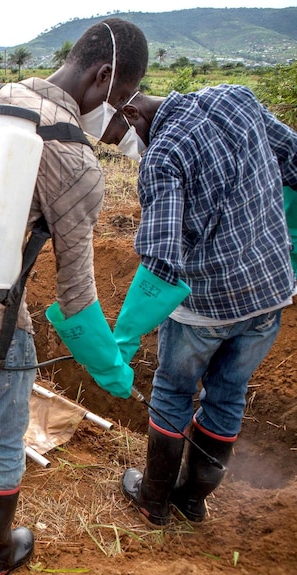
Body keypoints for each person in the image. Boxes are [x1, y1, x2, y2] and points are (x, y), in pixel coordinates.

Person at [0, 18, 149, 575]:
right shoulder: (73, 158)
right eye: (123, 97)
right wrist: (110, 367)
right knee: (2, 447)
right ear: (103, 76)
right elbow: (78, 296)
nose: (121, 111)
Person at [98, 86, 297, 527]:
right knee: (228, 393)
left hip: (203, 307)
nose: (116, 148)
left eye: (113, 137)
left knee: (172, 391)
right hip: (270, 294)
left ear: (130, 112)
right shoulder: (236, 99)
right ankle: (192, 500)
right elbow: (294, 161)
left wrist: (122, 340)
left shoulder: (163, 155)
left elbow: (162, 262)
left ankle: (153, 501)